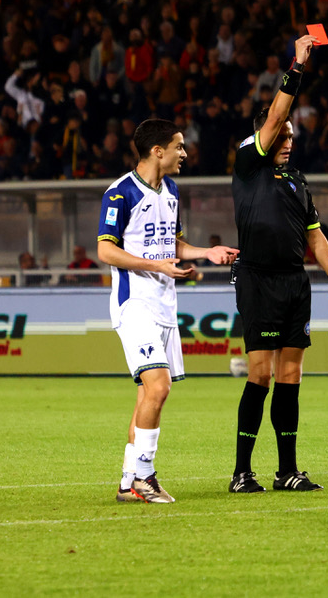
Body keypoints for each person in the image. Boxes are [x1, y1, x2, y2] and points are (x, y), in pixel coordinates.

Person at [229, 34, 328, 495]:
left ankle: (287, 472)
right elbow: (277, 112)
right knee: (259, 373)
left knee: (291, 376)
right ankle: (242, 472)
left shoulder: (298, 181)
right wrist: (296, 66)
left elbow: (315, 236)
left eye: (293, 136)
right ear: (266, 134)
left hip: (294, 283)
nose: (288, 140)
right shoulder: (248, 164)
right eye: (282, 133)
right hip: (258, 279)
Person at [97, 118, 239, 503]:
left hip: (165, 306)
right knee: (157, 387)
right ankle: (145, 477)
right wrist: (156, 266)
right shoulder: (120, 193)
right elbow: (105, 250)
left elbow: (171, 244)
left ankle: (129, 481)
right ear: (157, 151)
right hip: (135, 303)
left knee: (149, 395)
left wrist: (205, 253)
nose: (185, 153)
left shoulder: (171, 190)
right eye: (179, 146)